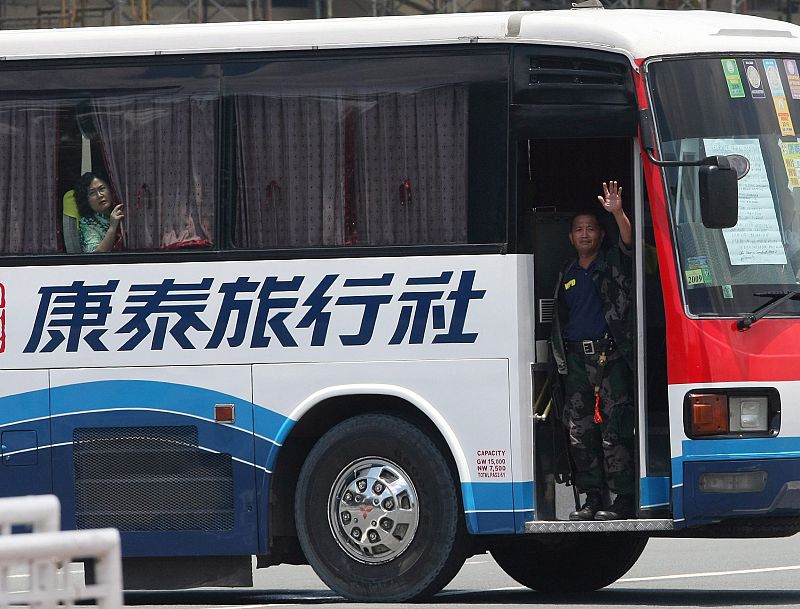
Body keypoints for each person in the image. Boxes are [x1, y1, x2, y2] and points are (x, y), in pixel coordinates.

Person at [550, 181, 635, 521]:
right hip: (575, 360)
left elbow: (629, 243)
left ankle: (624, 498)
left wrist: (617, 212)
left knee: (613, 428)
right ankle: (592, 498)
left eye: (590, 229)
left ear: (600, 234)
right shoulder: (567, 273)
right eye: (578, 230)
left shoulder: (613, 262)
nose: (584, 235)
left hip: (609, 357)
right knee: (579, 431)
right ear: (571, 238)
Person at [74, 172, 124, 253]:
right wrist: (112, 227)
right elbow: (95, 255)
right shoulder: (87, 222)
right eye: (92, 193)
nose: (99, 195)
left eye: (102, 189)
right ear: (86, 200)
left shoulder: (124, 210)